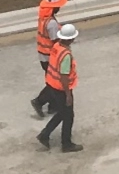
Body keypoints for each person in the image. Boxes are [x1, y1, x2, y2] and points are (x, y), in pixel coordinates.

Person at [37, 23, 83, 153]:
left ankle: (45, 135)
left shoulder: (57, 46)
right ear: (70, 39)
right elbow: (64, 76)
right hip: (61, 89)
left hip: (52, 85)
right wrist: (68, 95)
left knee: (63, 113)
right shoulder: (66, 55)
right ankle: (66, 144)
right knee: (68, 115)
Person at [31, 0, 68, 118]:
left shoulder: (43, 18)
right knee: (54, 83)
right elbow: (55, 40)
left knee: (52, 80)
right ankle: (39, 101)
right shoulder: (51, 23)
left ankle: (53, 106)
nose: (59, 8)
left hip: (43, 55)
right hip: (50, 57)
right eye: (58, 6)